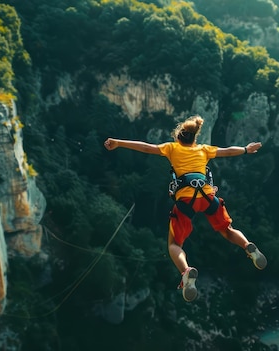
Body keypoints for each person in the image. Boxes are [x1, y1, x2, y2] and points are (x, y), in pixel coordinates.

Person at [104, 115, 267, 302]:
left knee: (174, 244)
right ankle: (247, 246)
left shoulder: (171, 148)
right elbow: (228, 151)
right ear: (194, 138)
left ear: (178, 137)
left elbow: (145, 147)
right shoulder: (203, 149)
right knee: (227, 230)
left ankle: (186, 271)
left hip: (186, 201)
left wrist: (118, 142)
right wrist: (246, 149)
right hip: (208, 197)